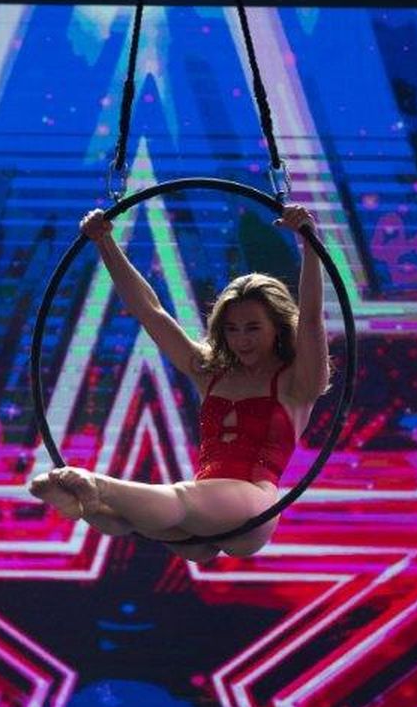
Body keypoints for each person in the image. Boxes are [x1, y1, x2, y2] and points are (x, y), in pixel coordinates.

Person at [29, 203, 329, 561]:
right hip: (200, 513)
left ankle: (94, 485)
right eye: (232, 329)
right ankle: (82, 502)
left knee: (178, 500)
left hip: (252, 506)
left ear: (278, 327)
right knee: (126, 519)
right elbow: (150, 312)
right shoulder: (210, 371)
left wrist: (309, 243)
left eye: (253, 328)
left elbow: (311, 319)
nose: (241, 339)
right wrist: (104, 242)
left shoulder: (297, 381)